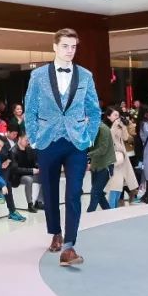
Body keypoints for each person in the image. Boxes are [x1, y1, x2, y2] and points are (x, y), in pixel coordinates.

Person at [24, 29, 98, 265]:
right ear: (55, 47)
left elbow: (94, 110)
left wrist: (89, 137)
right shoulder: (38, 75)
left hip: (77, 142)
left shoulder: (85, 75)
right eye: (65, 46)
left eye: (73, 46)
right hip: (48, 141)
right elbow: (30, 109)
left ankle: (69, 246)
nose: (70, 51)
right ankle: (55, 232)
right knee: (50, 190)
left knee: (74, 192)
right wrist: (34, 138)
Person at [106, 108, 138, 207]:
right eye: (115, 115)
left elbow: (125, 137)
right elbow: (111, 138)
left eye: (118, 115)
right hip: (114, 156)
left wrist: (123, 127)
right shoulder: (106, 127)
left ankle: (114, 207)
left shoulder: (118, 125)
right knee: (115, 184)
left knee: (119, 184)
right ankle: (112, 207)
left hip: (121, 156)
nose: (117, 117)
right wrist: (115, 126)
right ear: (108, 117)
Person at [85, 122, 113, 212]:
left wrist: (87, 155)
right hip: (96, 165)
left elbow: (103, 149)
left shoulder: (103, 129)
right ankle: (110, 213)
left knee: (95, 193)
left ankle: (89, 215)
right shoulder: (91, 128)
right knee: (99, 194)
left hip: (104, 165)